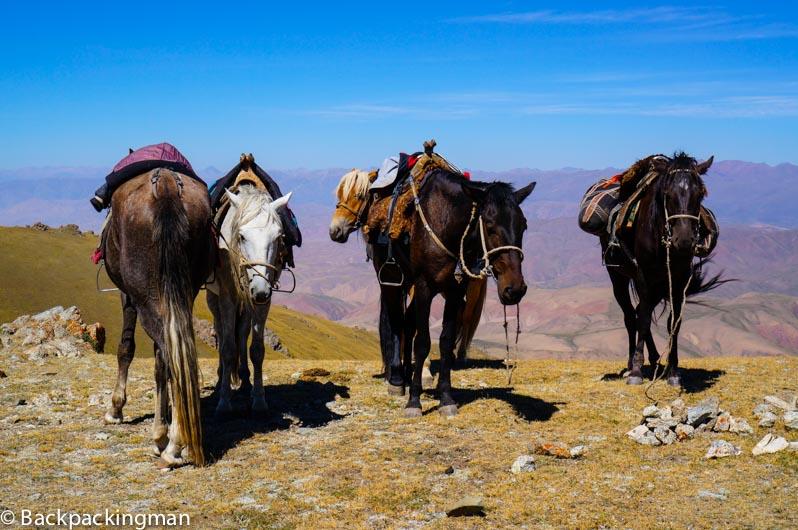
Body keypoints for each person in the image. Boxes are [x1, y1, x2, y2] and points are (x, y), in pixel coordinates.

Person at [90, 142, 202, 211]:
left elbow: (119, 170)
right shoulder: (170, 152)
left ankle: (102, 195)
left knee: (121, 174)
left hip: (142, 161)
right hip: (174, 159)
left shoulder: (135, 157)